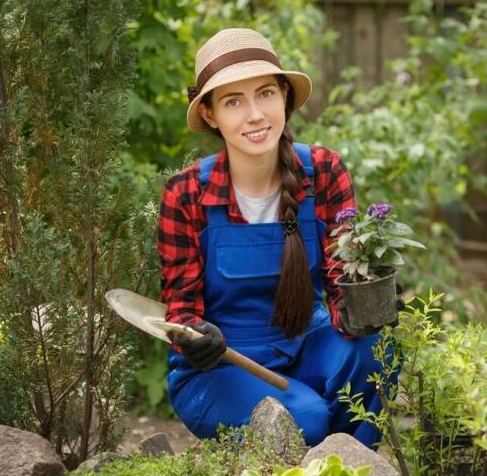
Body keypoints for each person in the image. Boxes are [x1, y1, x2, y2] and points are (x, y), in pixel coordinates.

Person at [157, 28, 396, 448]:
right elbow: (182, 311)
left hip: (308, 346)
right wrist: (196, 339)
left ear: (284, 95)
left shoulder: (322, 172)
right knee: (304, 419)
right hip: (221, 369)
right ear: (211, 115)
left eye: (265, 93)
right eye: (234, 101)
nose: (255, 114)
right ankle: (317, 462)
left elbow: (343, 292)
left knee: (375, 352)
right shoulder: (187, 193)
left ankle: (353, 475)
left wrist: (367, 303)